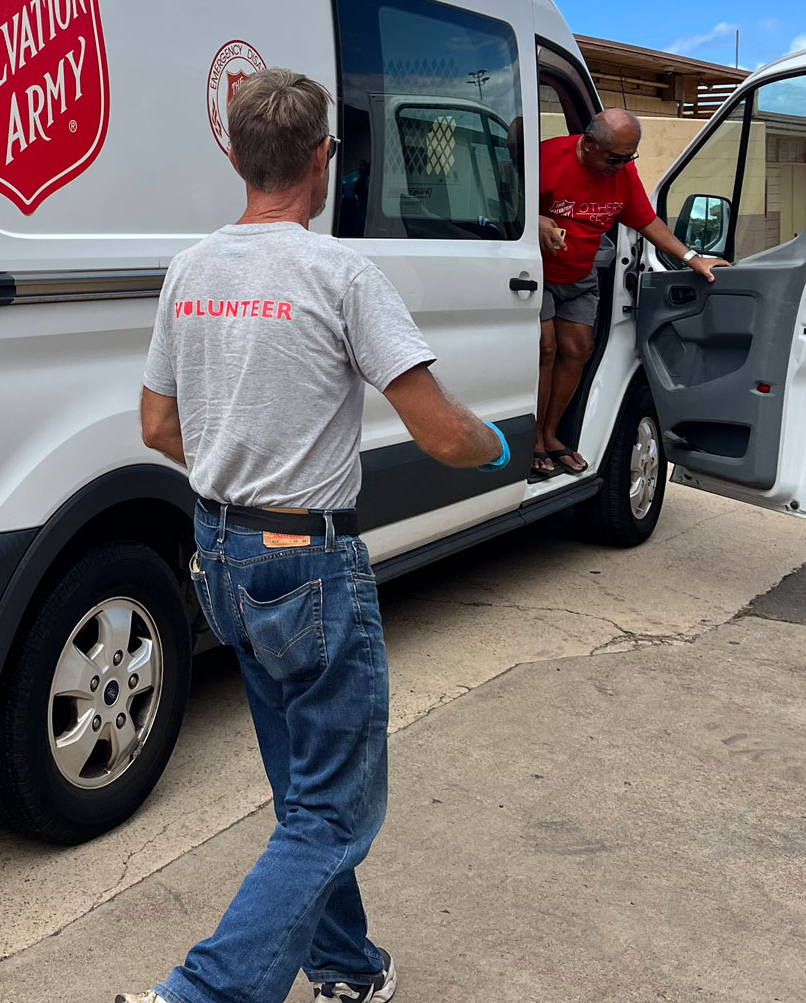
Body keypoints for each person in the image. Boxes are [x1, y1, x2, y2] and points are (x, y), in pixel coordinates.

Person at [129, 67, 509, 1003]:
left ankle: (344, 967)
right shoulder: (340, 273)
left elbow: (156, 426)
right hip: (306, 569)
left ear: (237, 156)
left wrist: (235, 474)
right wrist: (504, 445)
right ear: (323, 159)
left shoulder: (192, 268)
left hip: (217, 556)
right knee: (336, 813)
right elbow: (441, 432)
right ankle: (203, 995)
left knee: (306, 796)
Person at [533, 109, 729, 479]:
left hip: (579, 276)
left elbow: (645, 219)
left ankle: (551, 433)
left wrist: (691, 258)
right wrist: (536, 219)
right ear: (588, 143)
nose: (621, 166)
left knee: (578, 350)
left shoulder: (621, 174)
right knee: (545, 349)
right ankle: (534, 444)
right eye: (614, 158)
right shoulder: (547, 157)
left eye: (629, 158)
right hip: (536, 275)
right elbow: (501, 202)